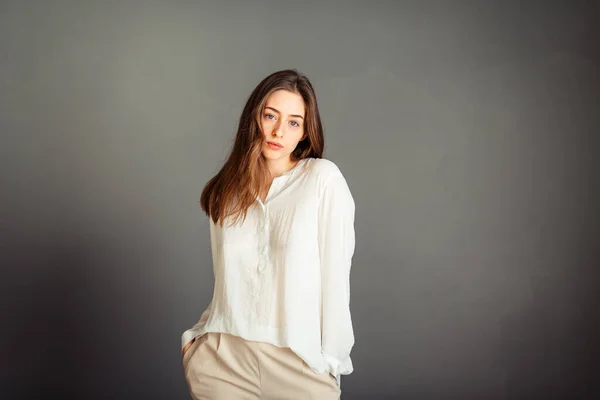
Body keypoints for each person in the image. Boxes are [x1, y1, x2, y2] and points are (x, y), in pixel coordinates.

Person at [181, 69, 356, 399]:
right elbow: (226, 280)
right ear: (254, 119)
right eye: (270, 116)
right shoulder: (228, 192)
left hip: (298, 364)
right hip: (223, 362)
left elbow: (335, 280)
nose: (278, 131)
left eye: (293, 122)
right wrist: (197, 340)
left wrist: (331, 362)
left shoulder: (322, 181)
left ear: (305, 132)